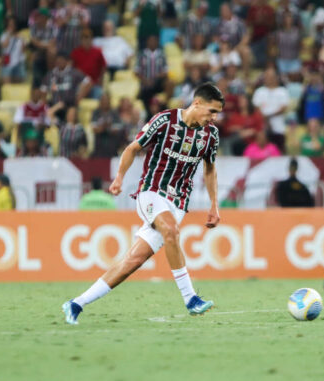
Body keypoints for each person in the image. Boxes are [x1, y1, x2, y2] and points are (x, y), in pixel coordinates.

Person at [62, 82, 224, 324]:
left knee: (132, 262)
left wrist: (214, 205)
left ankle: (76, 303)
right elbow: (132, 148)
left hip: (178, 202)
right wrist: (118, 178)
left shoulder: (210, 135)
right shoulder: (165, 120)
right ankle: (191, 299)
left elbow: (210, 170)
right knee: (170, 230)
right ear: (197, 103)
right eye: (212, 111)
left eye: (217, 114)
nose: (214, 118)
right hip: (151, 192)